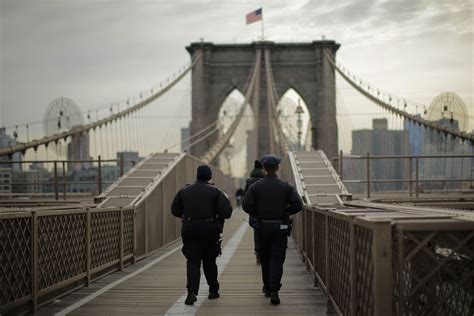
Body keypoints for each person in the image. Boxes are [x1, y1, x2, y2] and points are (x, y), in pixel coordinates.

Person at [242, 154, 303, 305]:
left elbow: (246, 205)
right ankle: (275, 290)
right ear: (277, 168)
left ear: (264, 168)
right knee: (277, 259)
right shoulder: (286, 186)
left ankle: (268, 288)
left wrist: (257, 213)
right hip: (280, 226)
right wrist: (286, 212)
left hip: (263, 227)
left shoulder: (256, 187)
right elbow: (298, 205)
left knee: (265, 258)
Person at [171, 165, 233, 305]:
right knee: (209, 261)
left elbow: (174, 210)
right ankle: (213, 291)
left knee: (192, 261)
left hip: (190, 228)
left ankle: (191, 292)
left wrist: (186, 215)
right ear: (210, 176)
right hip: (209, 229)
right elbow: (227, 213)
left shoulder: (184, 191)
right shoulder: (216, 191)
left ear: (197, 175)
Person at [243, 160, 265, 264]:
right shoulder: (266, 182)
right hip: (267, 214)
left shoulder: (249, 183)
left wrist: (252, 212)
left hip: (255, 215)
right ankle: (267, 254)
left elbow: (245, 201)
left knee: (257, 233)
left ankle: (258, 254)